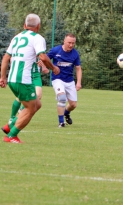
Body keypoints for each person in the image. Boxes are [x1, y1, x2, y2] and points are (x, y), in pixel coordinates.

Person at [0, 13, 60, 143]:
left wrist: (2, 77)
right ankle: (11, 135)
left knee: (36, 104)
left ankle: (8, 127)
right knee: (31, 108)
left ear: (24, 25)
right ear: (38, 26)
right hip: (24, 79)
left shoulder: (17, 37)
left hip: (12, 78)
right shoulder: (37, 38)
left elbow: (6, 57)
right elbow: (43, 57)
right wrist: (53, 68)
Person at [47, 33, 82, 127]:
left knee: (73, 105)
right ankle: (61, 122)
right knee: (62, 99)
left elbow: (78, 68)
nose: (71, 45)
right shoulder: (55, 50)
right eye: (69, 42)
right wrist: (45, 67)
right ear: (64, 41)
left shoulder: (75, 53)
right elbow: (44, 59)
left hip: (69, 80)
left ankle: (66, 113)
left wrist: (78, 82)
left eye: (73, 43)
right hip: (57, 79)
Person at [5, 60, 49, 128]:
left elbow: (43, 57)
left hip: (36, 75)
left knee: (38, 96)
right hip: (25, 74)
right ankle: (12, 117)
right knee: (20, 96)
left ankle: (22, 111)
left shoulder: (39, 50)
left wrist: (43, 66)